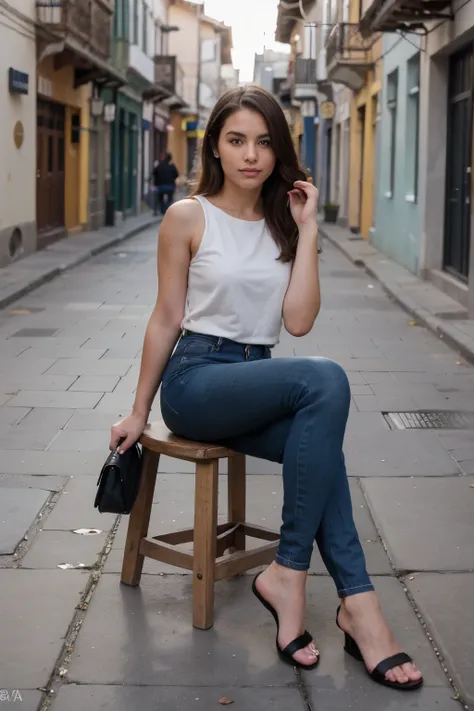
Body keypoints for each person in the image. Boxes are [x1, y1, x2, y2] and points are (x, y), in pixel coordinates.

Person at [110, 85, 423, 690]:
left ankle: (352, 604)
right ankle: (301, 578)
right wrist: (138, 410)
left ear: (279, 152)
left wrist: (307, 232)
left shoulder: (286, 221)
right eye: (236, 140)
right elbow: (166, 317)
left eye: (264, 142)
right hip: (197, 380)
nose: (251, 154)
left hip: (257, 375)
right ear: (216, 149)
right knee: (324, 379)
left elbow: (298, 322)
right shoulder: (188, 216)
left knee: (321, 447)